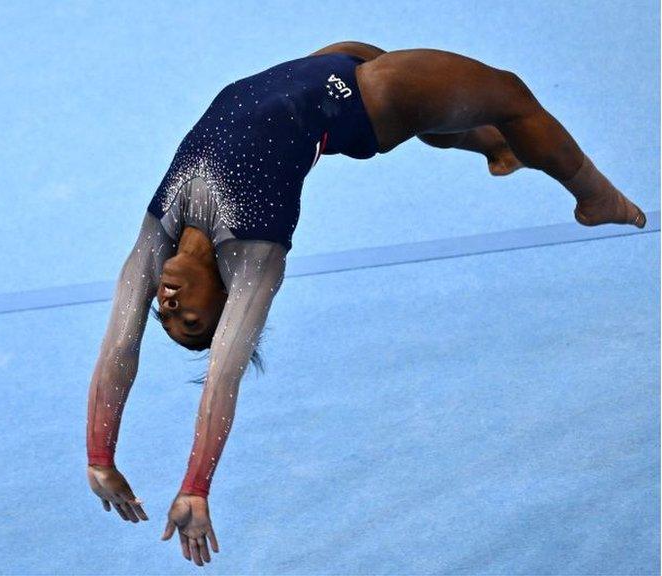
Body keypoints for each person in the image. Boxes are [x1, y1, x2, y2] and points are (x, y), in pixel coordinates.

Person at [85, 41, 646, 566]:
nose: (168, 304)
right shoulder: (253, 255)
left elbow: (117, 349)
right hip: (358, 99)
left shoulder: (157, 237)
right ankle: (595, 197)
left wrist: (100, 457)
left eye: (167, 317)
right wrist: (195, 487)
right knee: (510, 94)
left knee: (437, 112)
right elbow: (223, 377)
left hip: (321, 68)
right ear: (225, 294)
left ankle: (496, 146)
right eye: (191, 320)